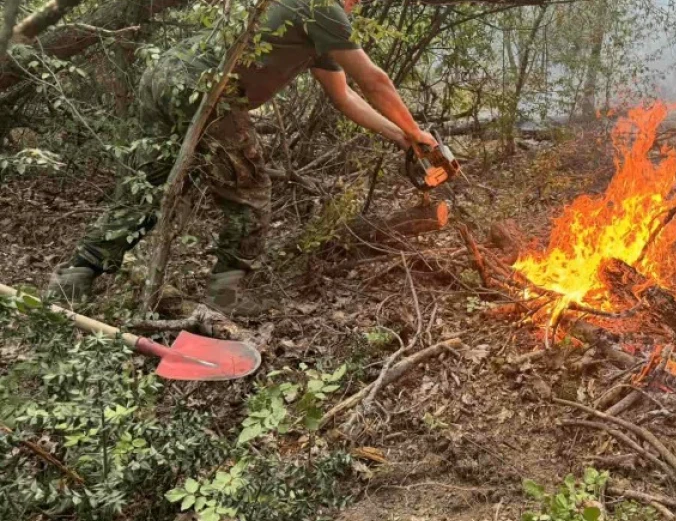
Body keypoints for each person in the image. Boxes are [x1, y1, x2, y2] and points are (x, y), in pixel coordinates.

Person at [47, 0, 437, 313]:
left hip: (165, 75)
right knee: (249, 186)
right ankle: (225, 296)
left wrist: (404, 137)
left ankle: (78, 274)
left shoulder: (309, 19)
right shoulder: (324, 9)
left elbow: (345, 96)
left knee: (151, 182)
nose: (356, 8)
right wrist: (417, 128)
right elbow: (374, 80)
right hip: (205, 89)